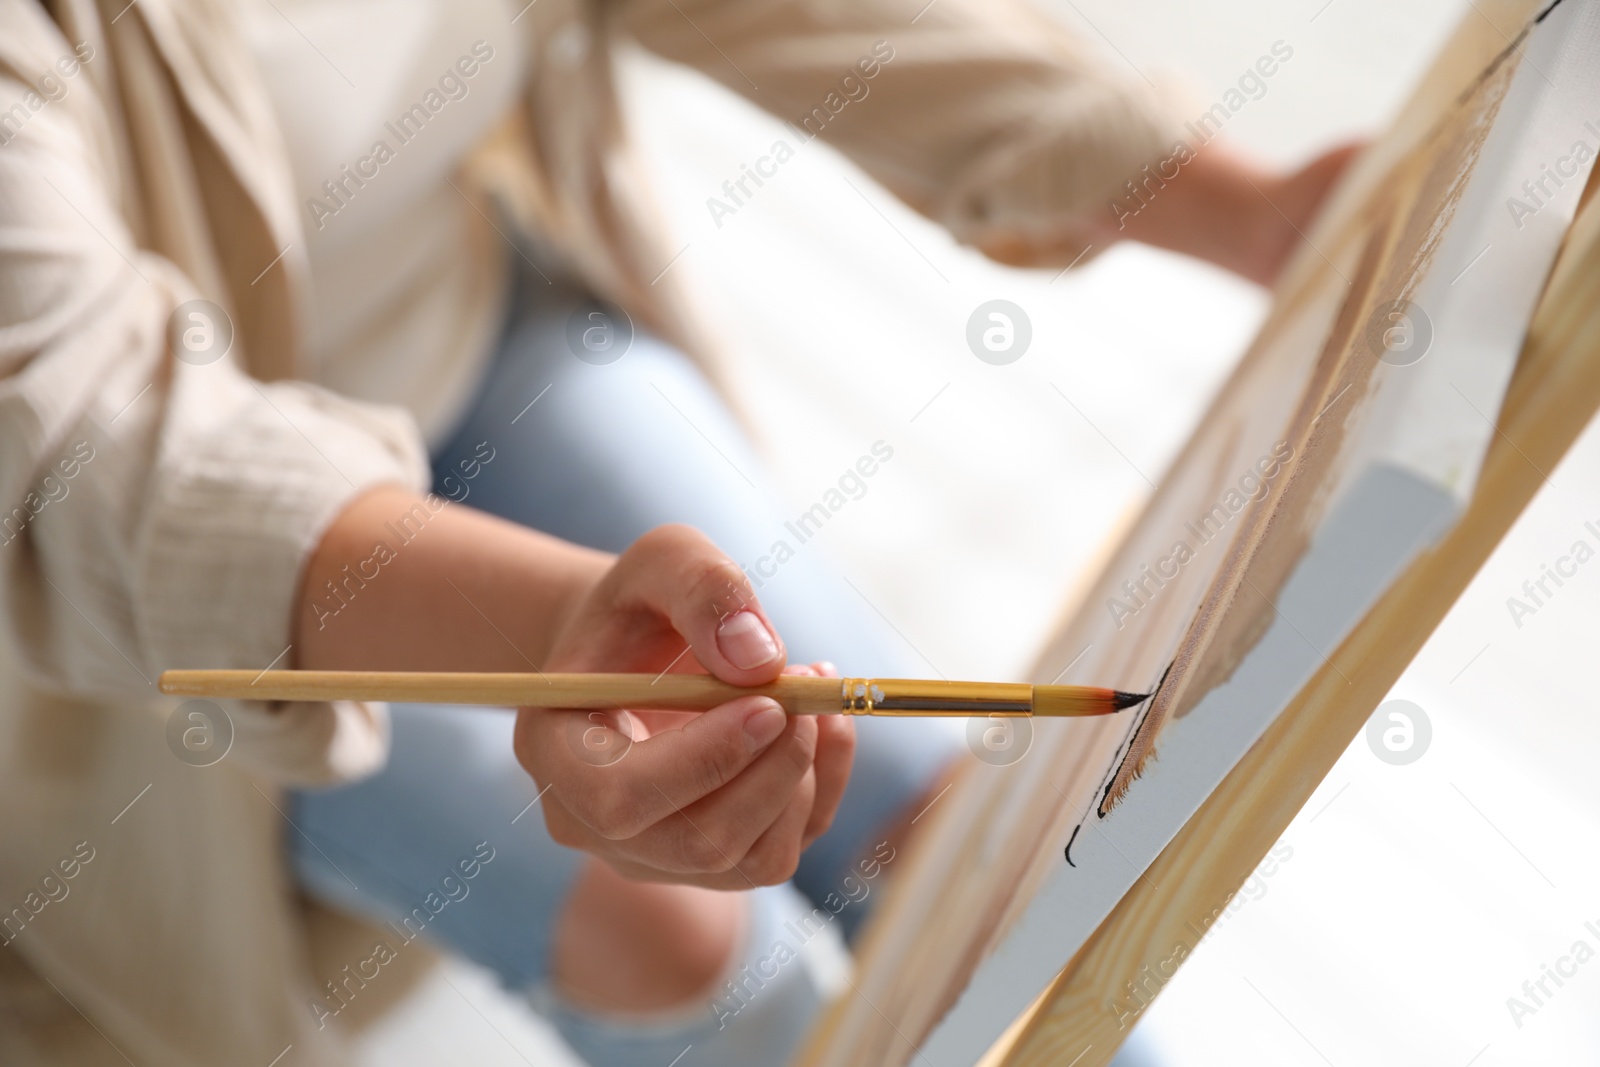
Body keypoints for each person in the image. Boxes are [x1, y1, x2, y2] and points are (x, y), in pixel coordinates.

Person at [0, 1, 1354, 1064]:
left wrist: (1248, 208)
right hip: (169, 608)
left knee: (954, 841)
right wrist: (568, 637)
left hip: (482, 342)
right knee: (678, 947)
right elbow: (94, 454)